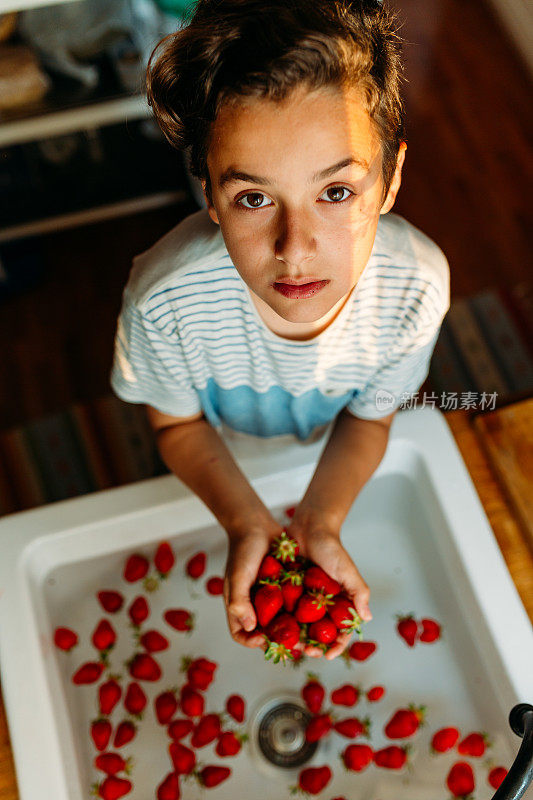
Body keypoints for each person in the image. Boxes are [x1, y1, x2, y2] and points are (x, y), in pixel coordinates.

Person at [111, 0, 450, 660]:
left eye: (335, 192)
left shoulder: (416, 288)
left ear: (390, 179)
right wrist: (244, 520)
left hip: (334, 458)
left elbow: (370, 419)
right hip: (216, 457)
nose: (295, 249)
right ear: (208, 193)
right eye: (254, 198)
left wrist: (319, 521)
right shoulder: (163, 301)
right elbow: (177, 426)